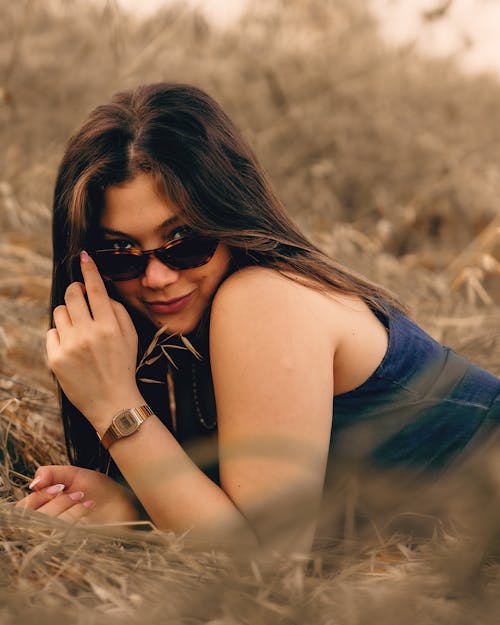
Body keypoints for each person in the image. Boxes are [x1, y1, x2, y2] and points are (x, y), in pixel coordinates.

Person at [17, 83, 500, 554]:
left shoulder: (262, 299)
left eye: (185, 242)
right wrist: (132, 506)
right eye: (121, 252)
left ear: (229, 219)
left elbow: (265, 561)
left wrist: (113, 404)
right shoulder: (182, 341)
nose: (158, 276)